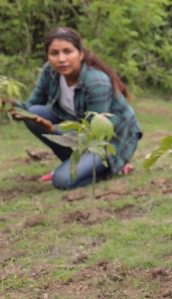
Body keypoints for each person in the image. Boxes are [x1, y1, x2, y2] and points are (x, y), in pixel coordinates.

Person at [14, 27, 142, 190]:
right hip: (77, 127)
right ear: (48, 56)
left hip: (110, 139)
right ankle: (73, 165)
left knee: (61, 181)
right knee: (33, 114)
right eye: (54, 53)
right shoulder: (50, 72)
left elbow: (94, 135)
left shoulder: (96, 82)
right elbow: (30, 105)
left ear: (80, 54)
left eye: (68, 52)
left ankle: (111, 166)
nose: (61, 59)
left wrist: (53, 128)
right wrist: (6, 105)